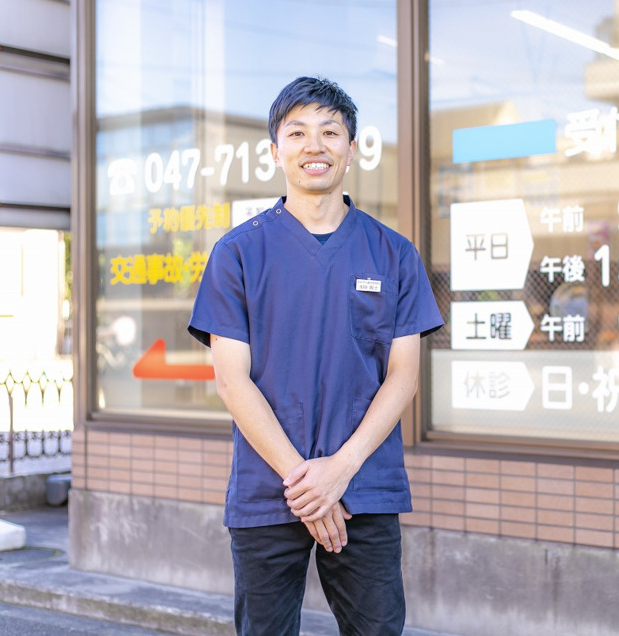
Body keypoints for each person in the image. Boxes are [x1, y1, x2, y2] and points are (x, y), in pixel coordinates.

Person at [187, 76, 443, 635]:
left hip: (366, 490)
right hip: (268, 491)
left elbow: (402, 377)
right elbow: (233, 382)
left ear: (352, 149)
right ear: (275, 151)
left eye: (331, 132)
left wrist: (341, 471)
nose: (314, 145)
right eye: (297, 132)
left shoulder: (393, 254)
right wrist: (309, 486)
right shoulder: (239, 253)